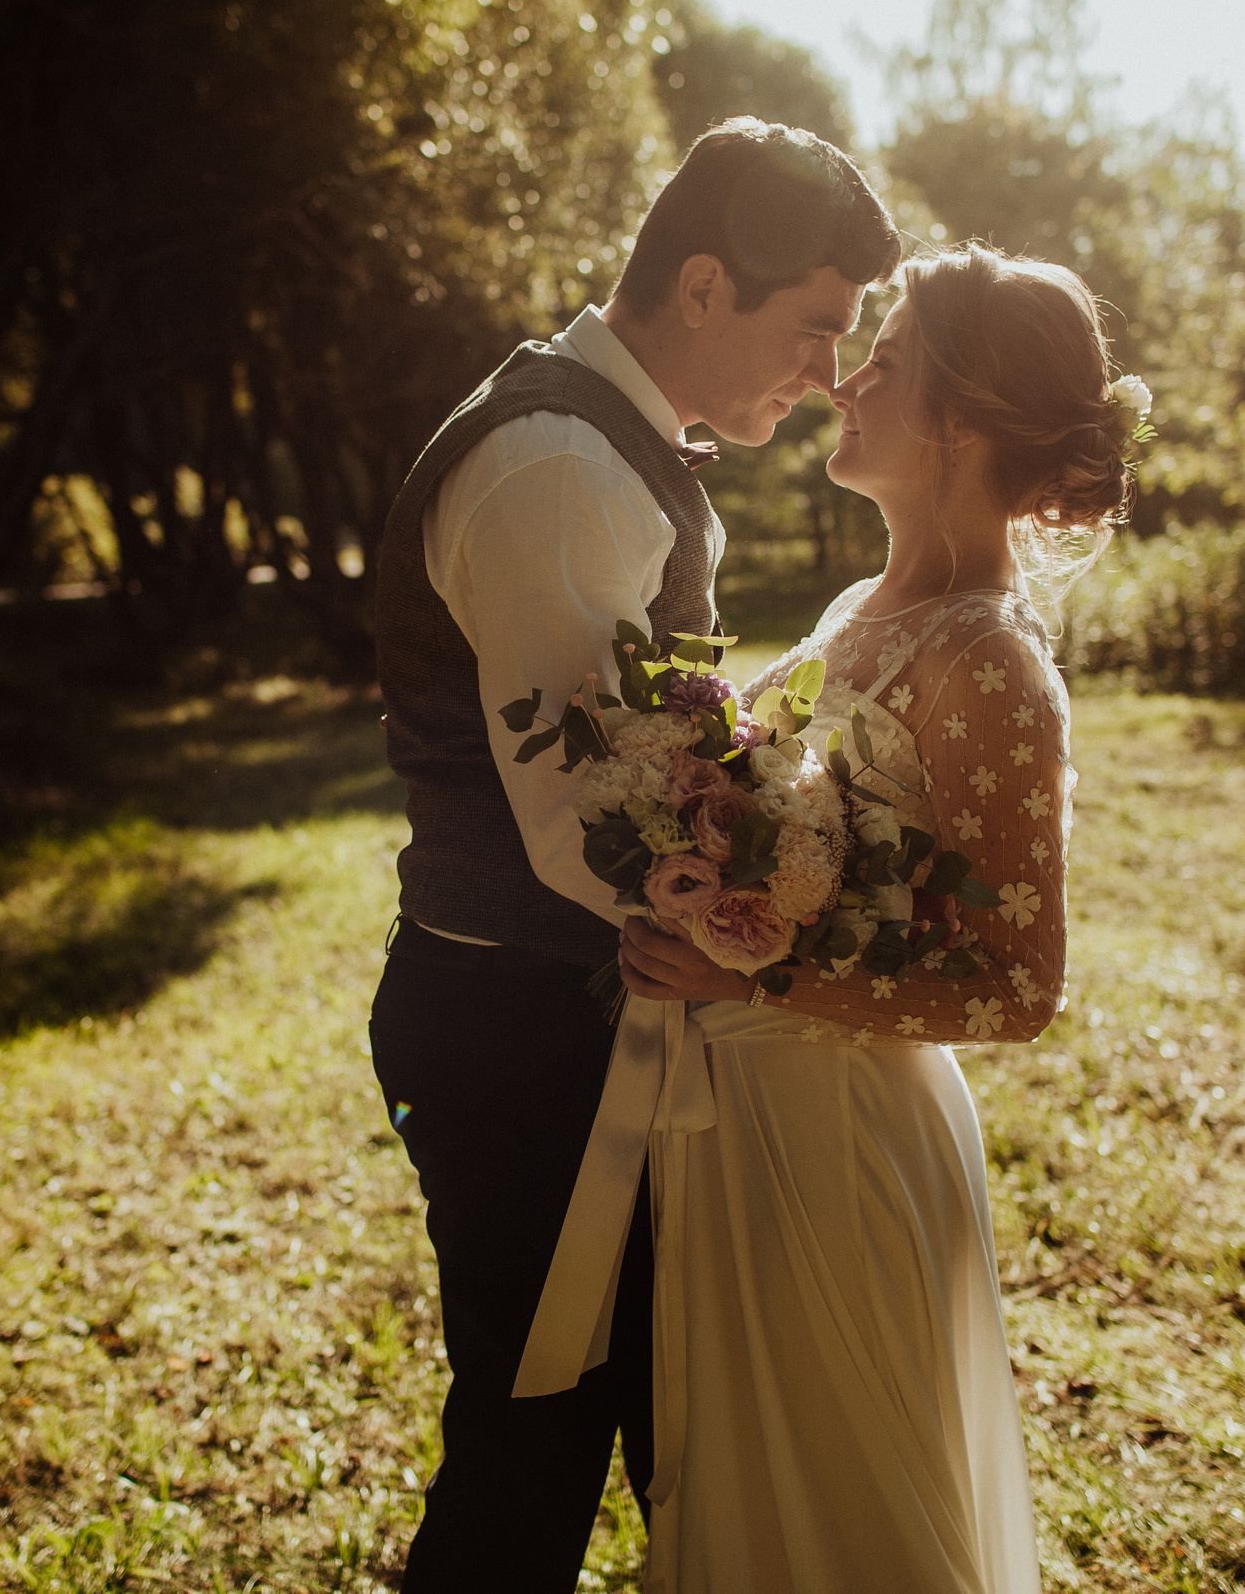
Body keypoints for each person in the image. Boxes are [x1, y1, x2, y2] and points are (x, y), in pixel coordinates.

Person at [366, 117, 900, 1591]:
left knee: (667, 1401)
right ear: (707, 287)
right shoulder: (555, 467)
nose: (829, 375)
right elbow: (597, 822)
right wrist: (802, 898)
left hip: (577, 1017)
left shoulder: (603, 443)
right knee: (535, 1435)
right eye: (813, 330)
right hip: (521, 1033)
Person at [613, 242, 1137, 1592]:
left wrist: (757, 981)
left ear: (960, 422)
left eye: (887, 363)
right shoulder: (860, 607)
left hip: (847, 1140)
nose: (848, 381)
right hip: (745, 1119)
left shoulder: (994, 667)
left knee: (848, 1520)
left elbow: (1016, 988)